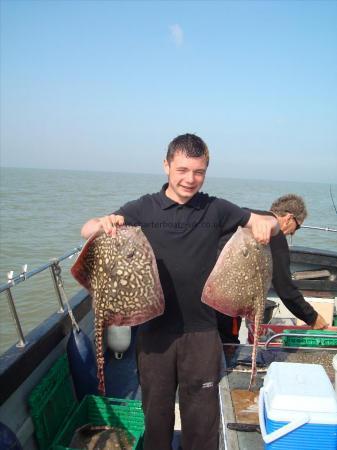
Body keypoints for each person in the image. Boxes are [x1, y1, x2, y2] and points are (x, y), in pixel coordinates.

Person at [80, 133, 279, 450]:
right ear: (166, 166)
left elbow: (273, 223)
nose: (190, 179)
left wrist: (266, 224)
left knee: (201, 422)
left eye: (198, 172)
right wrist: (105, 222)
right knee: (156, 417)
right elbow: (87, 228)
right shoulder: (145, 208)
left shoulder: (216, 210)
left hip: (201, 332)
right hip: (154, 332)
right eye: (183, 170)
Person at [217, 194, 328, 344]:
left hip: (198, 289)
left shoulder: (244, 215)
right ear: (289, 218)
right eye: (298, 226)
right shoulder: (275, 234)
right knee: (227, 343)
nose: (294, 232)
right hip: (222, 301)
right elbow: (285, 289)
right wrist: (313, 318)